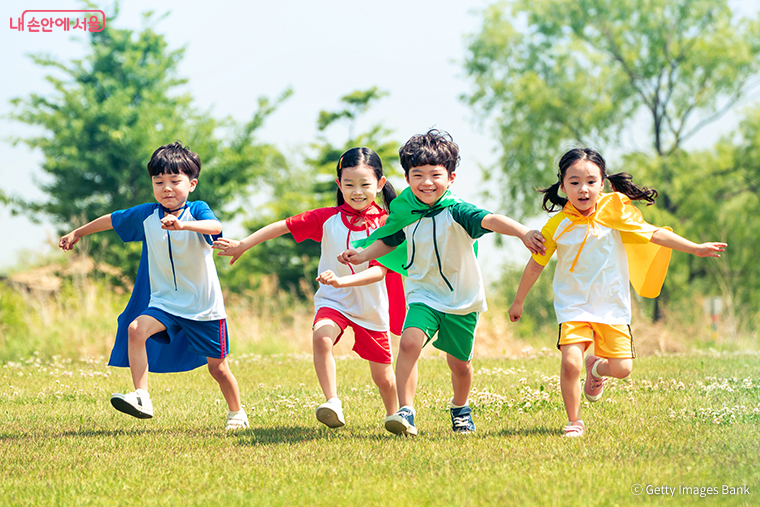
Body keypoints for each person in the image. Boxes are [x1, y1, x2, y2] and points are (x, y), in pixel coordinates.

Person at [339, 129, 546, 436]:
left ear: (451, 177)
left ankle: (460, 408)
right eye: (417, 175)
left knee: (459, 365)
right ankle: (405, 411)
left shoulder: (457, 210)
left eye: (435, 175)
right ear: (407, 178)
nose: (426, 182)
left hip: (462, 299)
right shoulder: (405, 210)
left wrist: (522, 232)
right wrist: (361, 255)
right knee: (409, 343)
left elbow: (490, 219)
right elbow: (390, 239)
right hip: (424, 292)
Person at [508, 148, 727, 437]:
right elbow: (536, 265)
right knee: (570, 362)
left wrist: (696, 248)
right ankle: (575, 421)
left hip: (611, 305)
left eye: (590, 181)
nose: (582, 189)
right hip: (573, 305)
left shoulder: (616, 211)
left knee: (623, 369)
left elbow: (654, 233)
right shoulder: (557, 225)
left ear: (603, 184)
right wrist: (518, 301)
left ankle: (596, 369)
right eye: (573, 182)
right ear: (563, 187)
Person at [59, 141, 248, 430]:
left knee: (218, 368)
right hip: (165, 303)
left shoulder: (197, 210)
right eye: (158, 182)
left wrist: (184, 225)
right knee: (135, 329)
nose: (166, 188)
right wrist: (78, 232)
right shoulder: (148, 214)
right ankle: (141, 397)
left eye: (175, 181)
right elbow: (113, 219)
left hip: (203, 307)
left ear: (192, 183)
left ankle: (237, 413)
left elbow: (215, 227)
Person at [213, 147, 404, 429]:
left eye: (365, 184)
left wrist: (341, 280)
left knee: (384, 378)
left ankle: (394, 415)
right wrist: (243, 244)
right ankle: (332, 402)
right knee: (321, 338)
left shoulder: (388, 225)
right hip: (334, 299)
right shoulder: (327, 218)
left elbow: (379, 272)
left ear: (380, 183)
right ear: (339, 185)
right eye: (349, 184)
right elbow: (282, 226)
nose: (357, 191)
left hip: (371, 307)